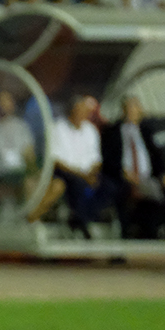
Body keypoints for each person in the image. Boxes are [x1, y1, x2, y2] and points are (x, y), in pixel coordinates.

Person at [29, 96, 112, 236]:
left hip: (88, 173)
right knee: (77, 185)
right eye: (80, 111)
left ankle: (83, 218)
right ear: (72, 110)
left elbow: (96, 159)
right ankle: (82, 224)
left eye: (86, 112)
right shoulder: (57, 128)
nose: (84, 115)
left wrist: (91, 174)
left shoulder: (91, 131)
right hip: (66, 172)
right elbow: (57, 161)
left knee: (108, 187)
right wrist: (82, 175)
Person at [117, 95, 165, 239]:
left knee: (156, 192)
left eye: (135, 108)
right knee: (151, 195)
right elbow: (110, 158)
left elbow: (157, 157)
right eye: (129, 108)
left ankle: (153, 231)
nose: (132, 112)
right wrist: (123, 171)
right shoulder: (114, 132)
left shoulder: (146, 131)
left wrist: (163, 174)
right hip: (125, 177)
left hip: (148, 177)